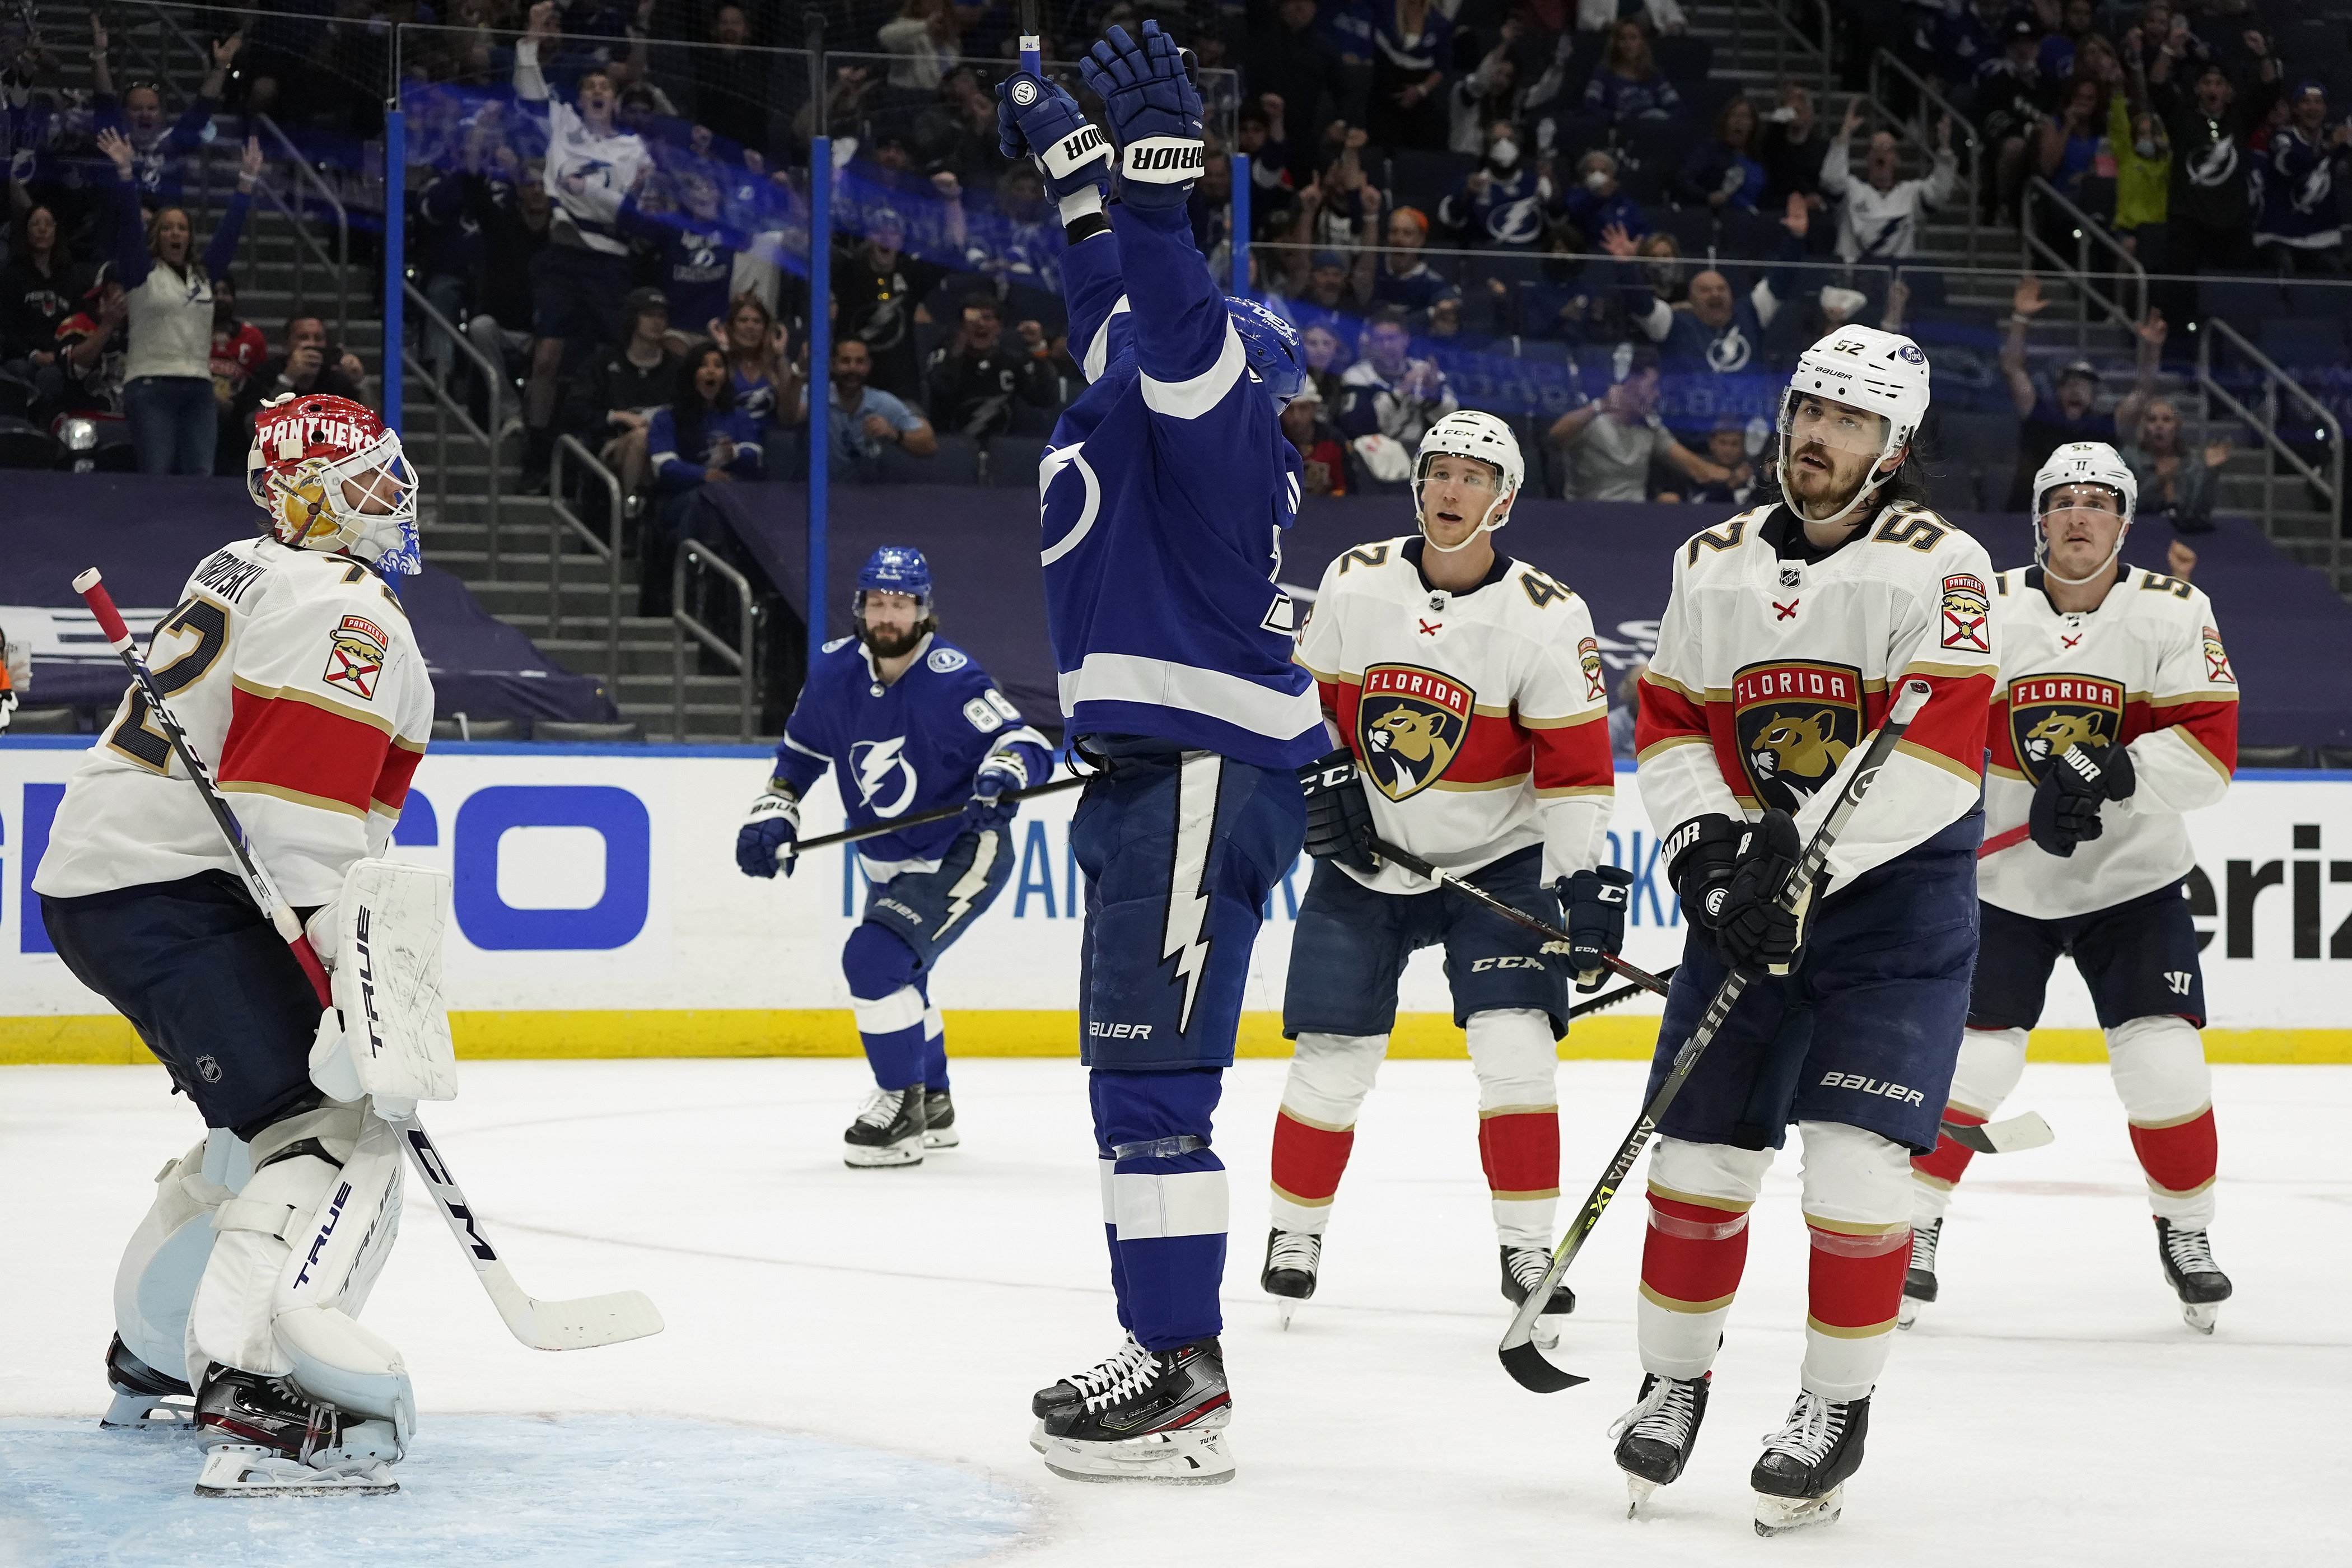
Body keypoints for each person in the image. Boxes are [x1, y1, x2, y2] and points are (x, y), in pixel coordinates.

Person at [997, 21, 1324, 1486]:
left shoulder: (1212, 413)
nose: (1123, 323)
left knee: (1153, 1092)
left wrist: (1153, 192)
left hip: (1199, 771)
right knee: (1134, 1086)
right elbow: (1109, 303)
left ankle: (1185, 1383)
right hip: (1168, 771)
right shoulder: (1125, 388)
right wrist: (1075, 181)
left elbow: (1167, 313)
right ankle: (1166, 1350)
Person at [1618, 325, 1998, 1534]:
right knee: (1696, 1165)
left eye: (1848, 421)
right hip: (1749, 908)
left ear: (1895, 446)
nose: (1817, 437)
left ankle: (1834, 1405)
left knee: (1855, 1166)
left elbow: (1938, 756)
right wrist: (1706, 850)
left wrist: (1809, 855)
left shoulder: (1946, 565)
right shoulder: (1711, 561)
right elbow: (1673, 718)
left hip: (1894, 909)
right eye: (1807, 412)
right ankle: (1674, 1381)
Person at [31, 393, 433, 1493]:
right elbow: (298, 822)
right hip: (171, 894)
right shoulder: (347, 610)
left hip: (113, 883)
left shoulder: (247, 563)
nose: (395, 498)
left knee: (261, 1119)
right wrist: (354, 993)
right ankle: (259, 1397)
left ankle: (156, 1350)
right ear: (310, 494)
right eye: (371, 481)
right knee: (328, 1129)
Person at [1261, 411, 1625, 1327]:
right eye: (1437, 473)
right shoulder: (1357, 579)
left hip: (1497, 864)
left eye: (1472, 477)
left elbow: (1577, 775)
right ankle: (1294, 1234)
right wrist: (1325, 781)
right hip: (1365, 859)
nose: (1450, 490)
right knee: (1330, 1060)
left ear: (1503, 499)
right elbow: (1318, 713)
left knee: (1516, 1054)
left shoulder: (1548, 616)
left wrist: (1579, 880)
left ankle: (1525, 1248)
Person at [1901, 442, 2237, 1334]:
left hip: (2134, 880)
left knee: (2164, 1060)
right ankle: (1912, 1227)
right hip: (2004, 881)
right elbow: (1931, 731)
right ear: (2040, 517)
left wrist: (2118, 773)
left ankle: (2188, 1230)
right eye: (2063, 501)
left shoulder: (2173, 609)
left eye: (2098, 502)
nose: (2079, 516)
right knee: (1974, 1061)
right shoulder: (1988, 609)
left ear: (2124, 522)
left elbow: (2209, 753)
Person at [734, 546, 1053, 1164]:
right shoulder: (833, 673)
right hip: (886, 859)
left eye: (900, 604)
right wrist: (777, 808)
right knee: (902, 978)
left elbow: (1023, 738)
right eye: (877, 603)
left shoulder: (954, 677)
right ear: (860, 608)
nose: (887, 616)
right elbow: (801, 755)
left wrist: (1003, 771)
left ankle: (899, 1105)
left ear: (923, 611)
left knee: (873, 962)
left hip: (963, 848)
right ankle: (933, 1099)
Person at [515, 0, 652, 489]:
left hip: (610, 265)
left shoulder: (634, 149)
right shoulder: (563, 129)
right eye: (590, 87)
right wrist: (530, 39)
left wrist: (586, 195)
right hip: (563, 256)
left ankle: (600, 454)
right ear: (581, 98)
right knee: (547, 356)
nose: (597, 91)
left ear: (616, 100)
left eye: (605, 88)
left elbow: (625, 214)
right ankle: (535, 454)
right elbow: (530, 94)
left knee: (611, 358)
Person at [101, 129, 258, 475]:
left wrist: (246, 182)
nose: (176, 234)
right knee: (158, 476)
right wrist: (126, 175)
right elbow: (128, 225)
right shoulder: (140, 272)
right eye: (168, 228)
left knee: (201, 477)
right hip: (150, 385)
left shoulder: (203, 276)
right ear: (156, 235)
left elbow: (229, 236)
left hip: (199, 388)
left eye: (183, 228)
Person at [2000, 277, 2162, 508]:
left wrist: (2152, 349)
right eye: (2069, 384)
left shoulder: (2105, 427)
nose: (2076, 389)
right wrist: (2020, 317)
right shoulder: (2039, 416)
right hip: (2028, 516)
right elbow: (2012, 369)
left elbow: (2143, 393)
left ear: (2095, 395)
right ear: (2058, 391)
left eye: (2084, 385)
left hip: (2088, 519)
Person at [1611, 197, 1806, 377]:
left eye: (1722, 289)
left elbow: (1780, 281)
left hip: (1747, 412)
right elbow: (1641, 305)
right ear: (1692, 300)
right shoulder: (1674, 324)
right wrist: (1626, 267)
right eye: (1705, 290)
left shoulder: (1751, 313)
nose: (1715, 294)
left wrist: (1795, 239)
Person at [2149, 36, 2278, 276]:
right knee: (2179, 284)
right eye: (2207, 83)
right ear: (2198, 88)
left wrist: (2262, 55)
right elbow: (2157, 87)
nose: (2213, 89)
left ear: (2229, 91)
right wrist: (2167, 50)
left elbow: (2270, 90)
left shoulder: (2240, 118)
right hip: (2188, 220)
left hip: (2232, 222)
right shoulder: (2182, 118)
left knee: (2238, 289)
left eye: (2219, 84)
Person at [1545, 347, 1740, 502]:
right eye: (1652, 386)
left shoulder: (1651, 429)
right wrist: (1599, 406)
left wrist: (1740, 475)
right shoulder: (1591, 421)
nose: (1656, 395)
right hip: (1585, 517)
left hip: (1635, 519)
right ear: (1630, 383)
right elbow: (1555, 438)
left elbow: (1696, 469)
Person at [570, 287, 683, 501]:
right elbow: (575, 410)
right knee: (641, 439)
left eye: (662, 316)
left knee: (650, 441)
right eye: (649, 315)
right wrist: (617, 416)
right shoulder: (603, 363)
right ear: (632, 318)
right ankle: (628, 513)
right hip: (612, 443)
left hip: (667, 446)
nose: (657, 322)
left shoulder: (677, 367)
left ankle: (637, 510)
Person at [1818, 104, 1956, 262]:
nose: (1881, 152)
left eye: (1888, 149)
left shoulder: (1910, 193)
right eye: (1875, 148)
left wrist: (1945, 149)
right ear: (1867, 158)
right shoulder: (1851, 189)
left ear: (1897, 160)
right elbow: (1831, 180)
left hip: (1896, 280)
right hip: (1853, 278)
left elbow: (1939, 193)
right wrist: (1844, 135)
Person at [796, 338, 938, 479]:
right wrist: (798, 370)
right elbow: (789, 418)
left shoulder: (881, 402)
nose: (853, 368)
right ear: (833, 365)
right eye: (846, 361)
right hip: (813, 493)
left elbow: (929, 444)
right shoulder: (814, 394)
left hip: (864, 496)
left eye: (860, 362)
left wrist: (893, 433)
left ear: (869, 366)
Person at [924, 293, 1059, 440]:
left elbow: (1045, 398)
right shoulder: (942, 356)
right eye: (973, 318)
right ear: (961, 324)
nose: (980, 324)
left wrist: (1037, 349)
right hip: (952, 448)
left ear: (999, 326)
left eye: (988, 318)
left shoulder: (1010, 362)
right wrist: (958, 350)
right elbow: (941, 390)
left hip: (1001, 450)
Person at [2252, 82, 2352, 273]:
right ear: (2295, 109)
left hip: (2320, 238)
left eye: (2318, 102)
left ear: (2325, 109)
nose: (2312, 108)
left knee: (2338, 280)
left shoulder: (2333, 136)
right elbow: (2291, 165)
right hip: (2279, 236)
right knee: (2284, 270)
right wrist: (2327, 147)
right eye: (2306, 102)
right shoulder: (2281, 138)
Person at [1337, 306, 1458, 450]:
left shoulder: (1424, 371)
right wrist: (1401, 391)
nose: (1387, 346)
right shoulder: (1357, 378)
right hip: (1380, 453)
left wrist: (1434, 394)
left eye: (1393, 339)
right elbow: (1358, 428)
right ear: (1370, 343)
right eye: (1379, 340)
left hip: (1424, 448)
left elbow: (1452, 419)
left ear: (1406, 339)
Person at [2120, 398, 2227, 533]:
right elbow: (2122, 507)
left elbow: (2199, 515)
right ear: (2144, 427)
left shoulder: (2191, 461)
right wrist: (2158, 480)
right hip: (2139, 534)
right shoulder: (2128, 458)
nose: (2159, 426)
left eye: (2167, 420)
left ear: (2177, 426)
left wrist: (2209, 472)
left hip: (2183, 535)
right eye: (2152, 420)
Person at [1583, 19, 1682, 126]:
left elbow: (1676, 106)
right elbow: (1590, 105)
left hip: (1653, 131)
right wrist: (1618, 118)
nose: (1628, 44)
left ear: (1642, 43)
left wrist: (1662, 119)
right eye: (1622, 39)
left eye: (1633, 38)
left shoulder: (1654, 75)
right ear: (1616, 43)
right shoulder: (1603, 74)